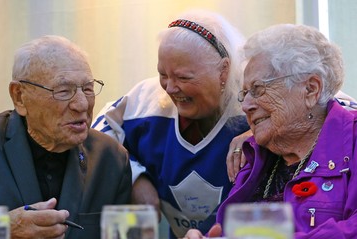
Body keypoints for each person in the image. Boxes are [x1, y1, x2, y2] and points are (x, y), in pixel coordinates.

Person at [184, 23, 357, 239]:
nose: (246, 105)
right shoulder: (254, 158)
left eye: (257, 90)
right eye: (244, 93)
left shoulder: (352, 142)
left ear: (311, 89)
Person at [92, 10, 250, 238]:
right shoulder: (146, 101)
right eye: (163, 74)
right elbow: (96, 138)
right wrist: (135, 177)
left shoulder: (251, 107)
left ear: (223, 69)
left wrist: (260, 133)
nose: (170, 88)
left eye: (184, 77)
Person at [0, 35, 132, 239]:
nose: (82, 104)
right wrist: (2, 228)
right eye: (63, 91)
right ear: (19, 96)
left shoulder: (111, 158)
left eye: (88, 88)